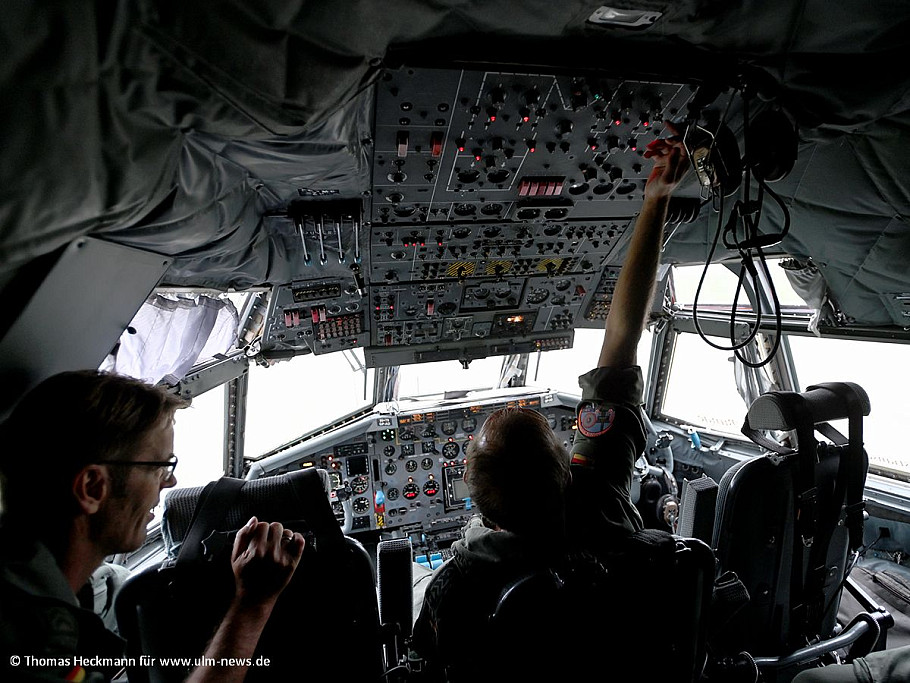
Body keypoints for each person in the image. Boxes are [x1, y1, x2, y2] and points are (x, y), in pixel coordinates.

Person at [411, 132, 690, 678]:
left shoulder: (454, 587)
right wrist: (656, 198)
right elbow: (622, 342)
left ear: (483, 511)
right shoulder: (598, 494)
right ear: (567, 464)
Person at [0, 370, 305, 683]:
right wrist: (253, 603)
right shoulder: (35, 634)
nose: (170, 482)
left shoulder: (32, 586)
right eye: (159, 467)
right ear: (92, 488)